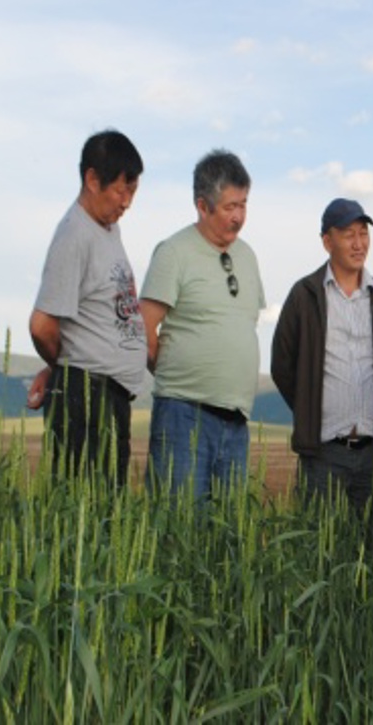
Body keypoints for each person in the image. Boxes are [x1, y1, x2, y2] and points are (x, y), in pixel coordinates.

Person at [271, 198, 373, 513]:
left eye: (364, 234)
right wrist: (309, 406)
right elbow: (282, 364)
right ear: (327, 241)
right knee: (319, 548)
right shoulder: (304, 294)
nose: (359, 244)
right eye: (349, 235)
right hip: (323, 451)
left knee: (372, 549)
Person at [139, 150, 264, 498]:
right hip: (183, 415)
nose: (239, 217)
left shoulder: (247, 256)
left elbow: (242, 326)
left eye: (243, 204)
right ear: (202, 205)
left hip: (236, 420)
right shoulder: (174, 252)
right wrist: (179, 373)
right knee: (179, 530)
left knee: (226, 536)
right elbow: (143, 328)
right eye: (229, 207)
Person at [29, 129, 146, 485]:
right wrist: (66, 369)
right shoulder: (74, 235)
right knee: (86, 514)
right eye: (121, 189)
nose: (127, 202)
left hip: (106, 397)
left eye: (133, 192)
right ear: (92, 179)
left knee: (105, 517)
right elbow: (42, 326)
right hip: (86, 401)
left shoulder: (108, 230)